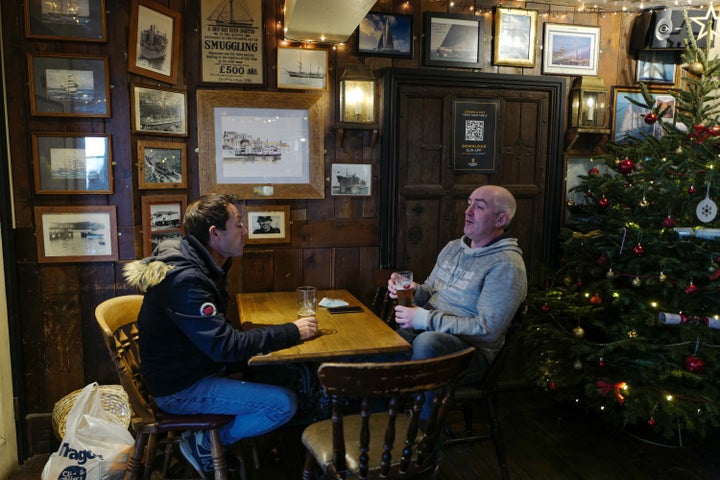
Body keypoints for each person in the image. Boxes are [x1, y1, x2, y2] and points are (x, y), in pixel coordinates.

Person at [123, 193, 318, 478]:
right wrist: (291, 331)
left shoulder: (196, 260)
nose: (245, 231)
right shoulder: (186, 279)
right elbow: (224, 346)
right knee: (283, 404)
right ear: (215, 234)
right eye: (238, 224)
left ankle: (283, 450)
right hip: (180, 390)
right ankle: (203, 443)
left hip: (191, 371)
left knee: (287, 375)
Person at [387, 184, 527, 420]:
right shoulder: (454, 247)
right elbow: (431, 290)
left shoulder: (506, 265)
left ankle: (425, 438)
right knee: (383, 345)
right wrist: (415, 290)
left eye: (479, 206)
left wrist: (424, 319)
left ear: (501, 219)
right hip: (428, 334)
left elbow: (489, 331)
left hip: (472, 353)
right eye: (469, 203)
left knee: (427, 343)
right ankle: (382, 419)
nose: (468, 211)